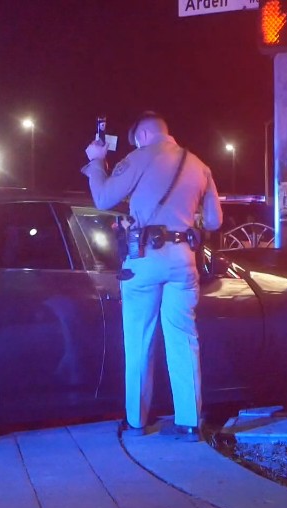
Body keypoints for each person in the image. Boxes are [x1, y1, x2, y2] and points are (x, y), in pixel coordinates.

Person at [81, 112, 222, 442]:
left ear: (143, 134)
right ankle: (189, 422)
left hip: (145, 259)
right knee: (184, 341)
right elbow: (214, 221)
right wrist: (185, 216)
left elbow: (102, 199)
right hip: (183, 260)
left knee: (139, 340)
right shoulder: (200, 165)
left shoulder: (139, 157)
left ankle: (137, 421)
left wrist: (97, 162)